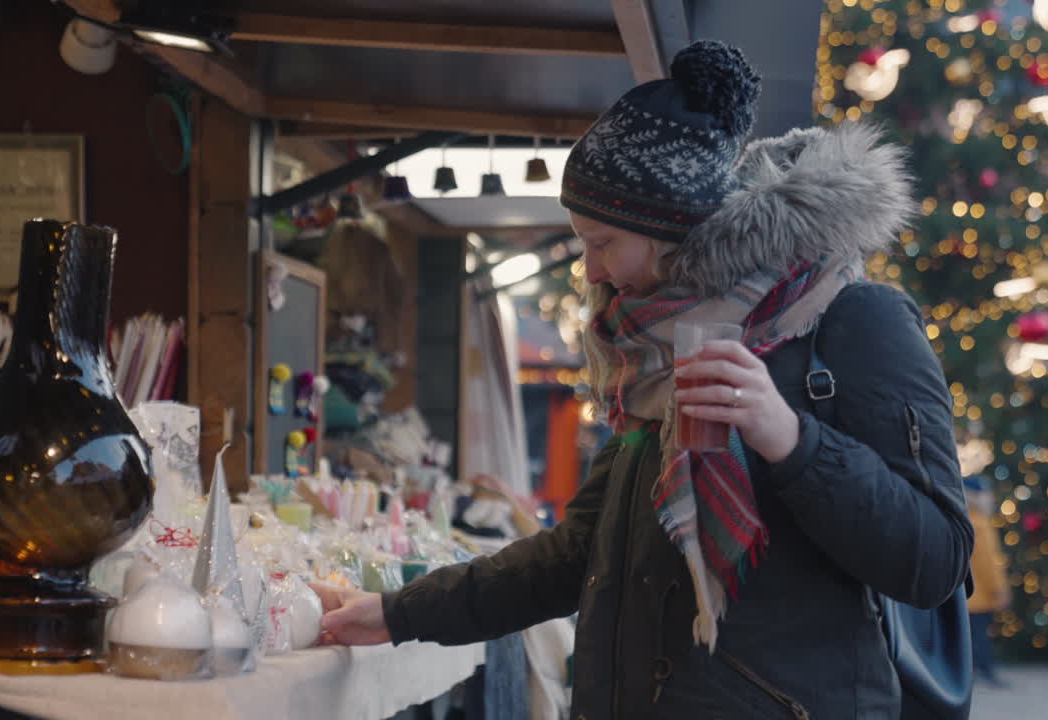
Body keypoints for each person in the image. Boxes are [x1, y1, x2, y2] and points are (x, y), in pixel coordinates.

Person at [312, 40, 973, 719]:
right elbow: (576, 556)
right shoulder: (650, 359)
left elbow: (933, 558)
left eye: (603, 243)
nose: (592, 271)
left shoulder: (854, 319)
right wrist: (396, 613)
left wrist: (790, 438)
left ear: (672, 234)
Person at [965, 475, 1011, 687]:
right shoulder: (980, 523)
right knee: (979, 635)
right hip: (980, 594)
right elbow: (987, 563)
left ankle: (974, 671)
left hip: (966, 594)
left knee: (971, 635)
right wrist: (999, 589)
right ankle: (985, 671)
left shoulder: (964, 520)